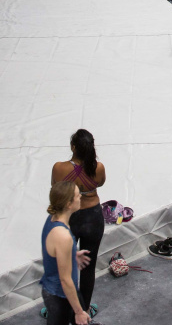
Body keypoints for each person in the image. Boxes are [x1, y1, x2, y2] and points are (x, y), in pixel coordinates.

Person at [51, 130, 105, 316]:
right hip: (93, 218)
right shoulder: (98, 168)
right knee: (88, 268)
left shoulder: (59, 168)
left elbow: (55, 188)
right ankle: (84, 310)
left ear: (73, 147)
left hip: (69, 218)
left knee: (65, 267)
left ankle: (61, 311)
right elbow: (100, 183)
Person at [40, 181, 91, 325]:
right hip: (60, 295)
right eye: (77, 195)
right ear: (69, 204)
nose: (80, 196)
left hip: (61, 291)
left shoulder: (53, 219)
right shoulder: (63, 236)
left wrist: (71, 254)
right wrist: (78, 312)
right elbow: (65, 280)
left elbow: (53, 250)